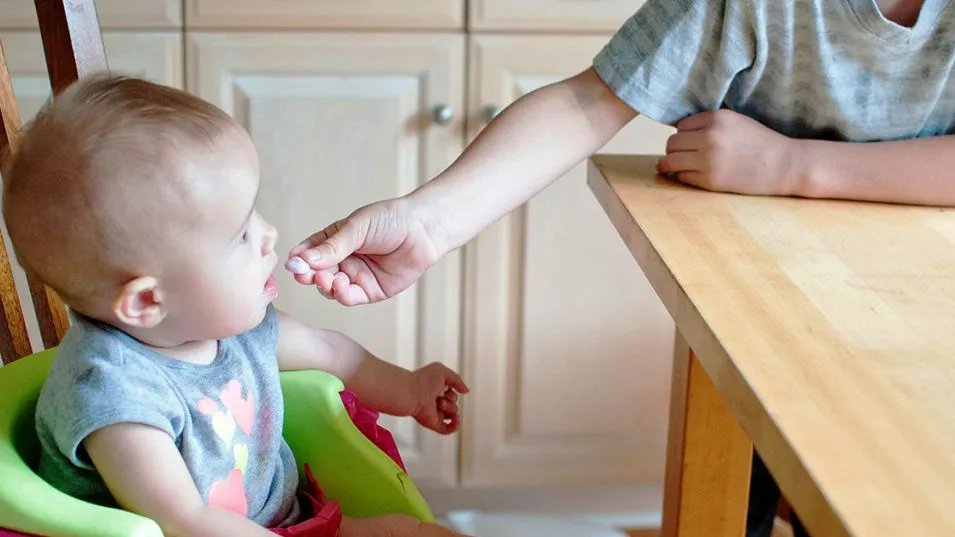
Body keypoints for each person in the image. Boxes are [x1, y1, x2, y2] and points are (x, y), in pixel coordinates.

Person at [284, 0, 955, 535]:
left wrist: (793, 166)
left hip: (922, 326)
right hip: (757, 310)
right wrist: (428, 221)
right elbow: (587, 103)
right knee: (740, 491)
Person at [2, 74, 471, 537]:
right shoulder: (117, 397)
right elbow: (186, 521)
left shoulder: (225, 324)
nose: (268, 234)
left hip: (284, 521)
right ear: (148, 300)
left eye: (253, 214)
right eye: (240, 235)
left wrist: (411, 391)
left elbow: (334, 353)